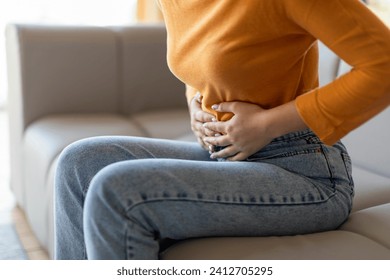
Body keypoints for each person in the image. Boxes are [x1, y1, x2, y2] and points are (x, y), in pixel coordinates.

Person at [55, 0, 390, 259]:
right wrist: (195, 104)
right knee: (79, 162)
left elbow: (383, 65)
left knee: (117, 192)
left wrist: (265, 125)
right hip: (227, 156)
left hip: (305, 171)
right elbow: (200, 64)